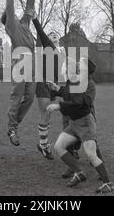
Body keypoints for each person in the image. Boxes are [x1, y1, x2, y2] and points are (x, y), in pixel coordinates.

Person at [47, 59, 114, 194]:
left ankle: (108, 184)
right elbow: (70, 94)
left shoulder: (87, 84)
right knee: (58, 146)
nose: (77, 64)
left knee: (91, 155)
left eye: (80, 64)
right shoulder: (76, 80)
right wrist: (57, 89)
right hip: (74, 123)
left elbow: (80, 103)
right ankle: (79, 172)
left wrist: (59, 106)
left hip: (85, 123)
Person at [1, 0, 37, 146]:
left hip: (31, 65)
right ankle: (11, 127)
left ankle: (15, 125)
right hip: (20, 65)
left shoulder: (24, 24)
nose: (15, 15)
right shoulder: (12, 27)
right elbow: (9, 8)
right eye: (11, 16)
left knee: (30, 97)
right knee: (17, 97)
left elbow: (29, 8)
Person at [31, 13, 66, 159]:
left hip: (54, 85)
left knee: (51, 114)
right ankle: (43, 145)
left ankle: (45, 144)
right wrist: (35, 19)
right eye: (51, 34)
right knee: (45, 113)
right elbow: (41, 33)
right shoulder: (48, 47)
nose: (53, 35)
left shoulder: (62, 51)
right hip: (43, 82)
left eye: (55, 34)